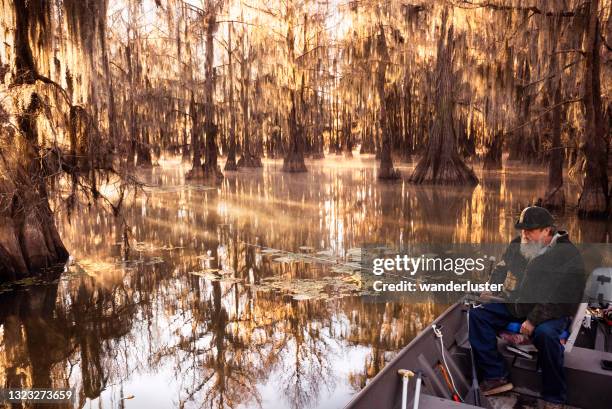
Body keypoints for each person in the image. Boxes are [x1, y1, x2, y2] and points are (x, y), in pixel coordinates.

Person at [468, 206, 585, 408]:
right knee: (477, 314)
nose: (524, 235)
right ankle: (496, 376)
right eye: (522, 230)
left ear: (547, 230)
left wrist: (533, 320)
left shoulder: (569, 256)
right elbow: (502, 268)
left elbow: (563, 299)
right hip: (516, 305)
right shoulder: (518, 244)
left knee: (546, 336)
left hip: (551, 312)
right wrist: (491, 288)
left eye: (529, 230)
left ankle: (554, 397)